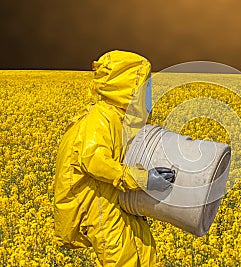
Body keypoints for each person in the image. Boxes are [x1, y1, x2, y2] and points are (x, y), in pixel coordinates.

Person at [54, 50, 175, 266]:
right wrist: (143, 179)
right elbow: (95, 161)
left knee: (145, 254)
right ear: (127, 88)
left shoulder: (122, 119)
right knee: (122, 259)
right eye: (145, 86)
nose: (150, 93)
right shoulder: (100, 118)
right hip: (101, 207)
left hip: (120, 201)